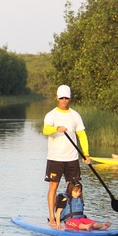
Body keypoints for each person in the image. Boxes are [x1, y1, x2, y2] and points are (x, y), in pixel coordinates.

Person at [43, 85, 90, 226]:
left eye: (66, 98)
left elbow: (82, 135)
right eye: (62, 97)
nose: (64, 100)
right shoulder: (51, 115)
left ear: (70, 98)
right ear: (57, 98)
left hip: (72, 158)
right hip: (55, 158)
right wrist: (56, 128)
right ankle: (52, 217)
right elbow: (45, 130)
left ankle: (72, 217)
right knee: (54, 187)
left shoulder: (75, 115)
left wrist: (86, 154)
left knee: (74, 188)